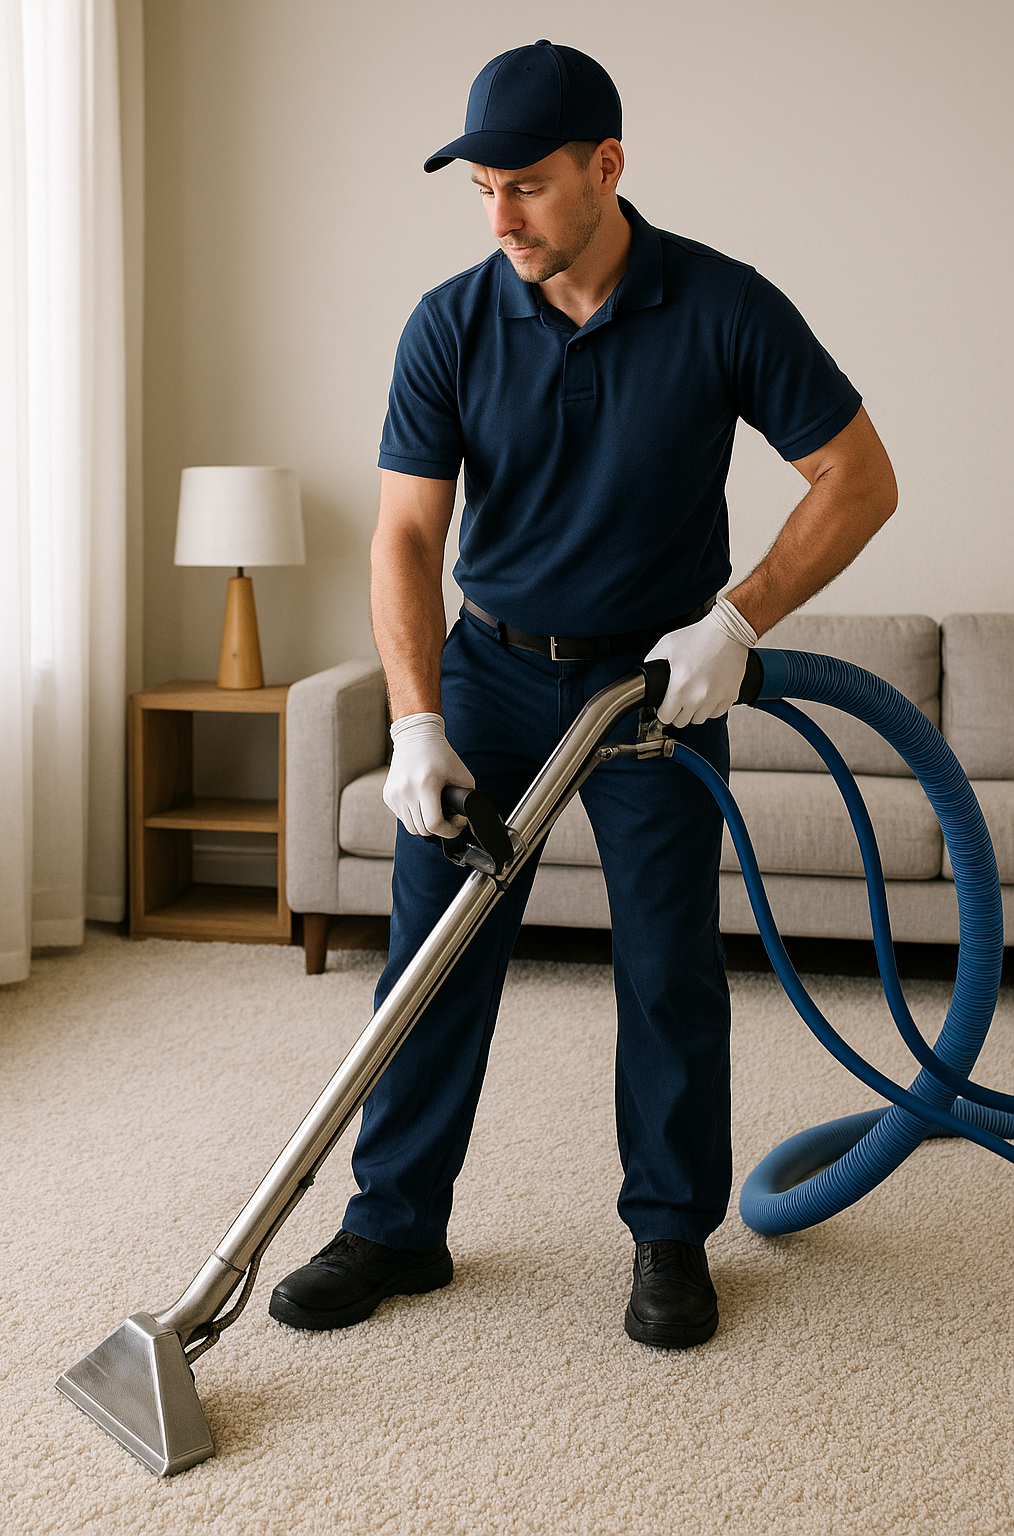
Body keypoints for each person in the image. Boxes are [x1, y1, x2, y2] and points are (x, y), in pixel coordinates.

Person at [270, 41, 897, 1348]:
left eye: (529, 186)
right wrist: (415, 720)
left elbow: (860, 477)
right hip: (492, 675)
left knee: (668, 967)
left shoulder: (723, 306)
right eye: (482, 190)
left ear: (607, 166)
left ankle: (670, 1235)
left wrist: (737, 622)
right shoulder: (449, 322)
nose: (500, 217)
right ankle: (395, 1224)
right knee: (433, 958)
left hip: (654, 690)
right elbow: (405, 535)